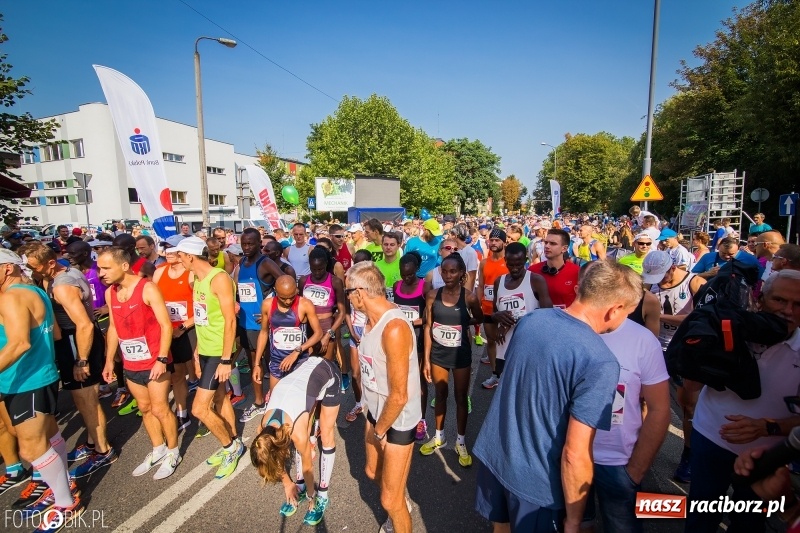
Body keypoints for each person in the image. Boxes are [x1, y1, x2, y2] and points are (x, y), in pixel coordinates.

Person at [473, 260, 641, 532]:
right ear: (615, 309)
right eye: (628, 314)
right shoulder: (601, 361)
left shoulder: (532, 320)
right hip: (537, 482)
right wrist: (575, 519)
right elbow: (576, 453)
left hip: (496, 455)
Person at [685, 269, 800, 532]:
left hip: (766, 454)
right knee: (701, 516)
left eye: (798, 304)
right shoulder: (730, 328)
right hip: (710, 438)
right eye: (780, 300)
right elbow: (691, 385)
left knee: (748, 523)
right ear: (761, 299)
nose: (788, 311)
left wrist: (766, 427)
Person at [0, 249, 84, 527]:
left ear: (7, 269)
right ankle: (61, 486)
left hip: (26, 379)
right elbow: (55, 334)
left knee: (31, 448)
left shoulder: (12, 296)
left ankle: (66, 502)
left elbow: (19, 343)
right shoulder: (33, 289)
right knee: (50, 436)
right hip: (40, 375)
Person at [23, 242, 117, 478]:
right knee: (80, 398)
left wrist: (81, 360)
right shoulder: (59, 272)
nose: (31, 271)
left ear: (50, 263)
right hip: (68, 341)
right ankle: (91, 442)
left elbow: (84, 324)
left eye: (34, 267)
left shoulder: (63, 286)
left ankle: (103, 451)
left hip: (79, 341)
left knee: (86, 399)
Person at [348, 261, 420, 533]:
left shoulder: (394, 329)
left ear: (359, 293)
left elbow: (399, 396)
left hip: (398, 420)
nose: (347, 298)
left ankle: (397, 509)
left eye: (347, 292)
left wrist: (378, 431)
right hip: (375, 411)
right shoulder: (367, 321)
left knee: (389, 500)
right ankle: (400, 495)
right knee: (370, 472)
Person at [99, 247, 181, 480]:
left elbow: (166, 325)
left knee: (160, 408)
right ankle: (158, 448)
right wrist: (108, 361)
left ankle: (173, 452)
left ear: (124, 266)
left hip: (155, 360)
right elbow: (113, 328)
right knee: (145, 408)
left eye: (106, 268)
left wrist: (162, 359)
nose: (101, 273)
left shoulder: (147, 288)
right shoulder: (110, 293)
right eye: (99, 268)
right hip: (131, 363)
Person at [582, 318, 671, 533]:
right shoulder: (567, 329)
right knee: (578, 526)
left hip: (619, 464)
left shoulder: (642, 339)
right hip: (572, 457)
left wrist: (636, 471)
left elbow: (659, 409)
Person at [175, 236, 244, 479]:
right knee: (219, 399)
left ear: (191, 256)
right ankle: (234, 440)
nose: (178, 259)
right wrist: (185, 327)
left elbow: (230, 319)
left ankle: (230, 448)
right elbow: (203, 314)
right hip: (205, 348)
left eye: (180, 255)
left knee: (199, 409)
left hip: (218, 352)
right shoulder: (196, 278)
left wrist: (226, 359)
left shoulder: (219, 278)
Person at [250, 356, 342, 525]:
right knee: (305, 433)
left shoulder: (296, 433)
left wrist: (311, 497)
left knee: (326, 434)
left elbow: (308, 468)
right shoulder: (262, 430)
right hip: (303, 383)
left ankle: (323, 495)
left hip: (327, 373)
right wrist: (288, 484)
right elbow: (272, 455)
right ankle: (298, 485)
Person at [644, 250, 706, 483]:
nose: (658, 282)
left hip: (685, 351)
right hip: (656, 349)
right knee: (646, 401)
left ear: (672, 268)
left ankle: (688, 455)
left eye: (661, 276)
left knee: (688, 407)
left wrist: (658, 317)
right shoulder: (652, 285)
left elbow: (700, 318)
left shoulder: (695, 282)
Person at [421, 253, 484, 466]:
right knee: (439, 395)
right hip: (438, 354)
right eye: (445, 271)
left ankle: (461, 441)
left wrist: (464, 323)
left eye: (453, 271)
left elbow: (479, 317)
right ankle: (439, 436)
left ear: (462, 274)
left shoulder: (469, 297)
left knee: (460, 398)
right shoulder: (431, 296)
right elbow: (429, 326)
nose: (448, 275)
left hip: (460, 355)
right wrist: (427, 359)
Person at [482, 243, 552, 390]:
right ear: (505, 261)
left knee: (526, 391)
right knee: (506, 391)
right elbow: (494, 313)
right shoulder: (499, 282)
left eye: (519, 265)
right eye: (511, 265)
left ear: (526, 260)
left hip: (529, 347)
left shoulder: (536, 280)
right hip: (504, 347)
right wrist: (498, 316)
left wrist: (514, 321)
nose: (514, 269)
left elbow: (548, 316)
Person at [236, 228, 288, 423]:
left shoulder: (264, 263)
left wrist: (272, 309)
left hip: (262, 326)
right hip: (245, 322)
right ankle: (258, 402)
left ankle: (278, 402)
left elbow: (286, 283)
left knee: (271, 365)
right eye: (244, 244)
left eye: (251, 243)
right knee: (253, 365)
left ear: (260, 244)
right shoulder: (242, 262)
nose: (247, 247)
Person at [252, 274, 324, 397]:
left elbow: (318, 333)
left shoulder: (305, 304)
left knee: (300, 402)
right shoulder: (267, 304)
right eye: (283, 298)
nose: (288, 301)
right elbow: (263, 332)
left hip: (299, 361)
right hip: (277, 362)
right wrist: (257, 364)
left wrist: (297, 351)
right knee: (276, 400)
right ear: (276, 292)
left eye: (292, 297)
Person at [152, 234, 194, 431]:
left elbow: (204, 307)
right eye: (165, 247)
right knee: (177, 375)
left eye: (172, 248)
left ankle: (209, 407)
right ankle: (182, 413)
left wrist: (184, 327)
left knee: (198, 373)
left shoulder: (191, 274)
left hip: (190, 330)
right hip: (169, 331)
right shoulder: (160, 272)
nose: (167, 252)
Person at [392, 252, 429, 440]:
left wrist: (412, 322)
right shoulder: (397, 285)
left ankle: (421, 419)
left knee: (419, 380)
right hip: (399, 341)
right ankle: (402, 412)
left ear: (417, 270)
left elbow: (429, 317)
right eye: (403, 274)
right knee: (400, 378)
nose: (406, 278)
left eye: (410, 274)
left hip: (418, 340)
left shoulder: (424, 287)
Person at [298, 247, 346, 362]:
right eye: (313, 269)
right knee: (307, 365)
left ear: (326, 264)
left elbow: (342, 312)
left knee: (325, 366)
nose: (317, 272)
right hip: (308, 327)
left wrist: (329, 334)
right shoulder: (303, 281)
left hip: (326, 327)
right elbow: (298, 305)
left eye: (320, 269)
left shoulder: (335, 282)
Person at [343, 249, 373, 424]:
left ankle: (377, 404)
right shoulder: (349, 283)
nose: (357, 266)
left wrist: (370, 330)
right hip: (355, 330)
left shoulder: (375, 284)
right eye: (355, 262)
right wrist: (352, 331)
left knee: (375, 374)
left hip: (371, 330)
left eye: (361, 263)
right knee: (356, 374)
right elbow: (346, 310)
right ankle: (359, 403)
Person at [476, 228, 509, 376]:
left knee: (505, 342)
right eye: (492, 240)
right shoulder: (484, 263)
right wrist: (478, 304)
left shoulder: (509, 261)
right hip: (488, 307)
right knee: (491, 340)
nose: (494, 243)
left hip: (504, 309)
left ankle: (507, 373)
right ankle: (495, 374)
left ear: (504, 242)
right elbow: (481, 286)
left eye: (497, 240)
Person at [528, 228, 580, 309]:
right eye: (546, 242)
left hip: (566, 320)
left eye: (553, 244)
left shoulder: (577, 272)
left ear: (564, 249)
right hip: (540, 319)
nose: (547, 246)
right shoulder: (532, 271)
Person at [691, 237, 762, 280]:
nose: (727, 256)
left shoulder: (749, 259)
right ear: (718, 248)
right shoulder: (708, 257)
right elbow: (691, 277)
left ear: (738, 250)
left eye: (731, 254)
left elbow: (761, 279)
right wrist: (708, 274)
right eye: (723, 253)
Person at [375, 232, 403, 301]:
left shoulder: (404, 265)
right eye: (386, 244)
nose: (388, 247)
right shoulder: (375, 266)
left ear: (398, 245)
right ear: (381, 245)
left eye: (392, 245)